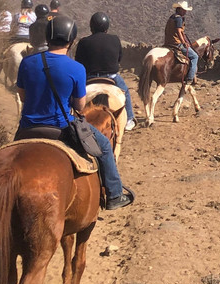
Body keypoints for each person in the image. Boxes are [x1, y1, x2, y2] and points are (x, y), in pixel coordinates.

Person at [15, 15, 134, 210]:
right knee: (104, 145)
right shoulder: (76, 69)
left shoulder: (27, 63)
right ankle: (114, 195)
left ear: (47, 36)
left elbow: (23, 97)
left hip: (27, 127)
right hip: (60, 127)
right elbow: (79, 108)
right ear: (71, 40)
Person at [75, 11, 137, 132]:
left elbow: (79, 62)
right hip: (112, 76)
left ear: (91, 26)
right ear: (107, 26)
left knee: (74, 95)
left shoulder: (83, 42)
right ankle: (129, 118)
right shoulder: (115, 39)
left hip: (89, 77)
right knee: (126, 94)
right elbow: (119, 58)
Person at [165, 0, 199, 85]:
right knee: (195, 56)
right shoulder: (179, 18)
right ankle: (190, 78)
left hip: (168, 42)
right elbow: (179, 31)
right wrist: (184, 42)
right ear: (179, 9)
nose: (185, 11)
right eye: (184, 10)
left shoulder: (171, 17)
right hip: (176, 43)